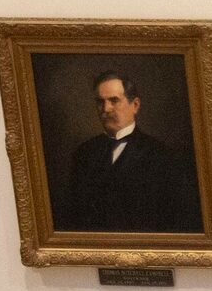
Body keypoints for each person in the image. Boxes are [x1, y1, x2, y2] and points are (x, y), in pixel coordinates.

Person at [57, 71, 203, 234]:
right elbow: (71, 214)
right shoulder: (84, 152)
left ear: (135, 105)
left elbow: (176, 219)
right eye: (100, 102)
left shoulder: (162, 155)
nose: (106, 109)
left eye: (114, 100)